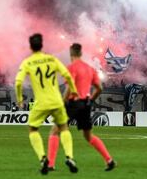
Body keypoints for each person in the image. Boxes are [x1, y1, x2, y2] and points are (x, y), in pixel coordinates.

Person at [15, 33, 79, 175]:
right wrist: (74, 92)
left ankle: (43, 158)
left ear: (30, 46)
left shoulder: (27, 62)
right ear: (42, 45)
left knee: (32, 129)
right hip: (56, 100)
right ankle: (69, 156)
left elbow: (18, 82)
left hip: (41, 102)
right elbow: (68, 76)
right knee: (64, 127)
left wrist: (20, 99)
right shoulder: (52, 59)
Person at [48, 43, 116, 171]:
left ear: (71, 54)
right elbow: (100, 88)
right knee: (88, 136)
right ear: (81, 53)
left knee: (55, 130)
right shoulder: (90, 69)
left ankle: (50, 164)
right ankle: (109, 160)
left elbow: (70, 86)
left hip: (73, 103)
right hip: (86, 104)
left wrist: (62, 103)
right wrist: (91, 100)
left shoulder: (72, 67)